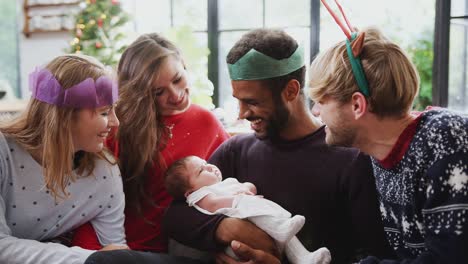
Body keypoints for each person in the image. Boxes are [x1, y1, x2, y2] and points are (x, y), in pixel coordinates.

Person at [164, 28, 393, 264]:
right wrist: (227, 228)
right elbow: (175, 215)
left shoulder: (350, 160)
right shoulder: (237, 150)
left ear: (291, 91)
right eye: (238, 101)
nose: (242, 114)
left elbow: (376, 255)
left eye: (251, 102)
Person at [308, 17, 468, 263]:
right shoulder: (379, 155)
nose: (316, 112)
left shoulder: (446, 140)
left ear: (357, 105)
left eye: (321, 100)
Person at [71, 33, 230, 256]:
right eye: (158, 92)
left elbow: (227, 186)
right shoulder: (116, 126)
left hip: (173, 249)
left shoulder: (207, 122)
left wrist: (219, 246)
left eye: (177, 79)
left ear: (184, 66)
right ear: (139, 94)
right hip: (105, 245)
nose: (175, 96)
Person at [0, 54, 126, 264]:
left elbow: (116, 252)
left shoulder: (104, 172)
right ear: (65, 115)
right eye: (104, 112)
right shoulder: (3, 151)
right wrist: (89, 259)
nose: (115, 122)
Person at [165, 155, 332, 264]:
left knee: (285, 232)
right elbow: (213, 204)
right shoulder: (200, 194)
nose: (210, 167)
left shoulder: (225, 182)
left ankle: (304, 258)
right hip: (239, 243)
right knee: (274, 224)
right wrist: (236, 198)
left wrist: (246, 187)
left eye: (207, 163)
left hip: (263, 229)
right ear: (190, 191)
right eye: (202, 170)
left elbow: (249, 186)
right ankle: (280, 229)